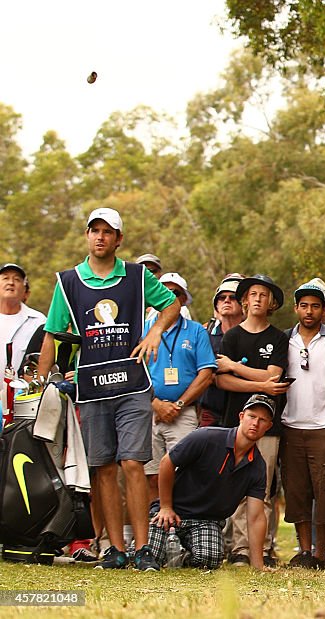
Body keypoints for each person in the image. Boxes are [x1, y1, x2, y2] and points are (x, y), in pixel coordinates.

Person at [36, 208, 182, 571]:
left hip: (132, 382)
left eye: (108, 232)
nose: (100, 237)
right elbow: (52, 335)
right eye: (94, 231)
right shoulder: (68, 281)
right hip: (91, 386)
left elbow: (171, 303)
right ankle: (115, 549)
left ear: (119, 239)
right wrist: (39, 382)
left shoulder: (136, 276)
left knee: (133, 462)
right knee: (102, 468)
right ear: (87, 236)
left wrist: (153, 333)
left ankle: (143, 548)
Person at [147, 393, 276, 570]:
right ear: (241, 417)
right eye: (252, 416)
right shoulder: (206, 437)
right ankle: (137, 549)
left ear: (268, 427)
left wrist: (258, 564)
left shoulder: (258, 466)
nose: (255, 423)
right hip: (173, 512)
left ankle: (181, 556)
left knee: (210, 560)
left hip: (206, 521)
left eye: (262, 420)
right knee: (151, 558)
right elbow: (166, 463)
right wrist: (166, 507)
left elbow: (255, 517)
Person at [215, 274, 291, 567]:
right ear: (244, 300)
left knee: (265, 486)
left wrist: (235, 367)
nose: (258, 299)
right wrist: (261, 385)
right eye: (253, 294)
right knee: (236, 486)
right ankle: (239, 549)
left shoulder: (278, 338)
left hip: (269, 424)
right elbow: (223, 382)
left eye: (264, 294)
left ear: (271, 302)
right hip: (236, 424)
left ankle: (266, 548)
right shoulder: (232, 337)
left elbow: (275, 375)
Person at [282, 280, 325, 570]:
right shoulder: (285, 339)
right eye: (303, 305)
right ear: (296, 308)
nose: (309, 311)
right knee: (297, 492)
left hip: (324, 426)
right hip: (291, 425)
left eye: (315, 305)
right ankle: (305, 551)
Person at [144, 273, 216, 501]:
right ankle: (156, 529)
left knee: (183, 472)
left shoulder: (196, 331)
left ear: (184, 299)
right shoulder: (143, 328)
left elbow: (206, 373)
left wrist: (178, 404)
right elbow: (135, 371)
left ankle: (182, 527)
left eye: (175, 293)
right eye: (163, 291)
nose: (169, 296)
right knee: (150, 475)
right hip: (149, 412)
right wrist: (156, 404)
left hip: (183, 412)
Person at [199, 273, 245, 427]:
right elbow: (201, 375)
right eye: (221, 297)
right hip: (210, 411)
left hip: (243, 412)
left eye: (232, 297)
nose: (226, 300)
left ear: (243, 303)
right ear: (216, 305)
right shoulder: (203, 334)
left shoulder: (254, 335)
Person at [0, 263, 45, 377]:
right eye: (5, 278)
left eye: (17, 279)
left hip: (24, 392)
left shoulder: (39, 322)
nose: (11, 283)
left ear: (26, 293)